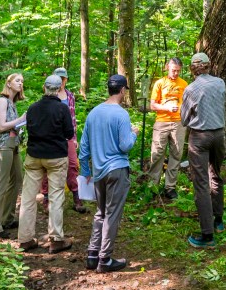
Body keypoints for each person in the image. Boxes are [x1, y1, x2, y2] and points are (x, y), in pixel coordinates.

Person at [78, 73, 138, 273]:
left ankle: (92, 255)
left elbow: (84, 147)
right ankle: (105, 259)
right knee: (112, 214)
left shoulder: (93, 113)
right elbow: (125, 145)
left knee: (100, 212)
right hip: (117, 169)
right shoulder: (121, 114)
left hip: (98, 172)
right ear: (122, 90)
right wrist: (134, 134)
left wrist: (86, 170)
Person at [17, 74, 76, 253]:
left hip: (34, 156)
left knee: (28, 198)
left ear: (44, 87)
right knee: (56, 196)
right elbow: (68, 133)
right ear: (59, 89)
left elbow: (28, 129)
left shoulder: (33, 108)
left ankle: (25, 239)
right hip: (56, 157)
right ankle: (56, 239)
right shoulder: (62, 109)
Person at [180, 51, 226, 248]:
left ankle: (207, 235)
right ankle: (218, 220)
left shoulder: (190, 89)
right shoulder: (220, 83)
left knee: (201, 183)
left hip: (199, 137)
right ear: (209, 65)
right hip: (219, 135)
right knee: (216, 175)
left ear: (192, 69)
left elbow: (184, 119)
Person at [0, 73, 27, 238]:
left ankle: (7, 218)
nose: (20, 83)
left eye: (22, 81)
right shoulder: (2, 101)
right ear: (8, 83)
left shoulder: (12, 103)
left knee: (17, 180)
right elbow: (2, 126)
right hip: (3, 146)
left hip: (13, 145)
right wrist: (21, 119)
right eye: (17, 80)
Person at [42, 67, 86, 213]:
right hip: (50, 138)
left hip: (67, 137)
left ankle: (76, 197)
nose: (61, 81)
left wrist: (74, 138)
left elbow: (73, 118)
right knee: (48, 167)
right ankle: (46, 198)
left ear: (66, 80)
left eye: (63, 79)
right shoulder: (47, 95)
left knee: (73, 165)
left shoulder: (70, 96)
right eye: (58, 78)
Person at [146, 57, 188, 199]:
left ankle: (170, 187)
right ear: (167, 67)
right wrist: (167, 107)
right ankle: (153, 186)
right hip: (162, 122)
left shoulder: (184, 84)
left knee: (176, 154)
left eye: (178, 71)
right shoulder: (159, 83)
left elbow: (187, 104)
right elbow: (152, 105)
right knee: (157, 153)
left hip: (178, 123)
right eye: (173, 70)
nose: (175, 73)